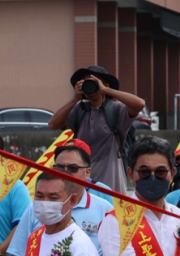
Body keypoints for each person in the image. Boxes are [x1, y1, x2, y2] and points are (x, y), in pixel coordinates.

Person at [49, 65, 145, 194]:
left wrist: (105, 90)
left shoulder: (115, 110)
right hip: (82, 184)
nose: (91, 86)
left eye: (94, 82)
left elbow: (140, 104)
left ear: (105, 84)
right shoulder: (79, 110)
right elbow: (53, 124)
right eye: (86, 82)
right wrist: (75, 98)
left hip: (110, 184)